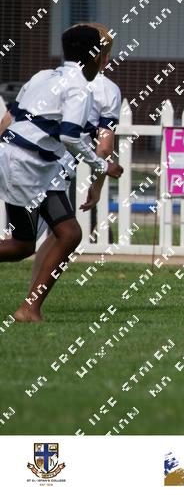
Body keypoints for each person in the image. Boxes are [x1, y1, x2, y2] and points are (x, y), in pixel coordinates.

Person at [0, 24, 123, 322]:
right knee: (23, 244)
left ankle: (29, 309)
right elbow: (70, 136)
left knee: (67, 233)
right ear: (98, 58)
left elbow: (8, 120)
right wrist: (102, 166)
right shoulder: (81, 88)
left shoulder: (42, 76)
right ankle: (29, 309)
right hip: (27, 166)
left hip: (36, 166)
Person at [30, 22, 122, 289]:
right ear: (104, 57)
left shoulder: (44, 78)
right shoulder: (107, 90)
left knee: (54, 234)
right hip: (52, 169)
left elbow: (10, 119)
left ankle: (31, 301)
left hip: (20, 159)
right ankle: (31, 301)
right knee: (51, 237)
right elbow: (104, 147)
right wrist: (97, 185)